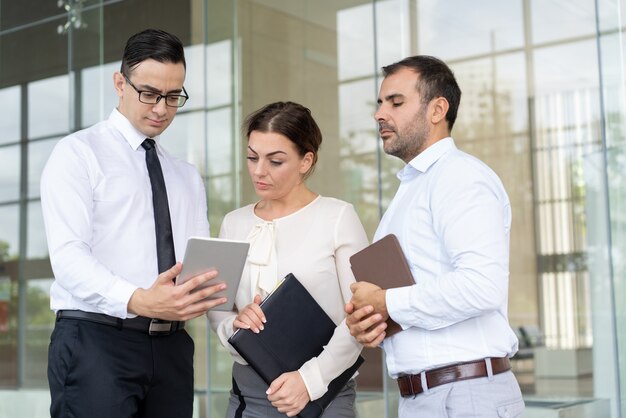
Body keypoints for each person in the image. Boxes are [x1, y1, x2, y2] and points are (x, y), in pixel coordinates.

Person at [41, 29, 227, 418]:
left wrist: (228, 310)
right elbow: (69, 258)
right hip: (96, 342)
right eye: (149, 94)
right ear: (119, 83)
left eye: (173, 97)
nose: (161, 108)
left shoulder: (187, 175)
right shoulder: (78, 154)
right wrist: (138, 298)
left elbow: (200, 268)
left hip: (172, 348)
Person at [344, 55, 525, 418]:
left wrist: (387, 303)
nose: (380, 114)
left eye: (395, 102)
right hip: (426, 396)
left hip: (465, 396)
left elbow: (481, 286)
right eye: (379, 104)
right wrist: (371, 323)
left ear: (437, 109)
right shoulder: (412, 188)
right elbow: (413, 296)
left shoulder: (460, 177)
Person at [209, 101, 368, 417]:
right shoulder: (233, 222)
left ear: (306, 161)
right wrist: (233, 325)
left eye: (275, 161)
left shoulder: (339, 217)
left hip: (325, 395)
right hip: (249, 396)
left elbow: (362, 315)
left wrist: (310, 381)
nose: (258, 171)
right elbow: (216, 307)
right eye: (252, 157)